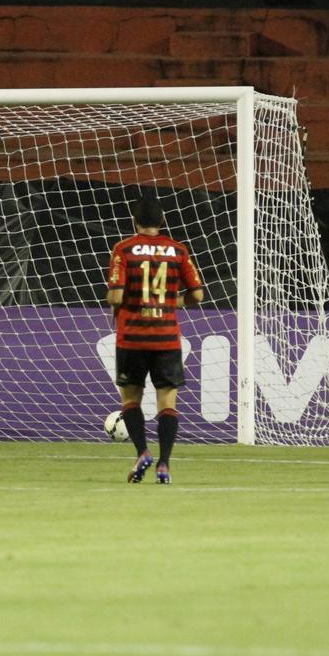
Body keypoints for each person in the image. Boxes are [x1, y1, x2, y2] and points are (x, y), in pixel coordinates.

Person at [106, 194, 204, 485]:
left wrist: (117, 304)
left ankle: (142, 452)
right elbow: (197, 295)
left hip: (132, 337)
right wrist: (171, 302)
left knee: (131, 399)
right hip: (166, 337)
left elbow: (116, 295)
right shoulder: (178, 251)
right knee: (167, 403)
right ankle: (164, 465)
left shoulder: (124, 249)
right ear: (162, 222)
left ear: (134, 222)